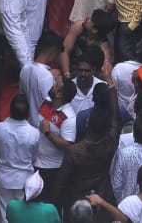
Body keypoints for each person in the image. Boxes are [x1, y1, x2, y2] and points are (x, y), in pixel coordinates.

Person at [58, 83, 122, 213]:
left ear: (87, 123)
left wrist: (53, 205)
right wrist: (113, 92)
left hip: (77, 200)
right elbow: (115, 121)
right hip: (100, 199)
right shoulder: (109, 146)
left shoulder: (74, 152)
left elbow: (61, 182)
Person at [0, 94, 42, 223]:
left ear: (11, 110)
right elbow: (34, 156)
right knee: (22, 214)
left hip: (3, 177)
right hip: (24, 180)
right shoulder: (34, 133)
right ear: (27, 113)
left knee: (5, 212)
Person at [34, 79, 79, 208]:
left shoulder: (68, 117)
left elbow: (68, 145)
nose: (52, 85)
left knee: (50, 206)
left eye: (55, 85)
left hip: (53, 169)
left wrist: (48, 133)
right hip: (36, 163)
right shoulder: (45, 103)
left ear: (59, 94)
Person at [110, 115, 142, 201]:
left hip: (126, 206)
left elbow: (116, 184)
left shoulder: (123, 154)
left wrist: (122, 202)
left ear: (134, 133)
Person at [61, 8, 119, 79]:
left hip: (88, 76)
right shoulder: (79, 27)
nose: (87, 18)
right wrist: (67, 74)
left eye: (90, 19)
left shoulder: (103, 47)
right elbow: (64, 50)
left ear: (95, 30)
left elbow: (106, 69)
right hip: (70, 68)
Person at [21, 34, 63, 108]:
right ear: (51, 54)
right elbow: (48, 106)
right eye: (56, 55)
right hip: (40, 119)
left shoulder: (25, 68)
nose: (56, 59)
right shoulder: (46, 76)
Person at [67, 47, 108, 116]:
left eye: (86, 71)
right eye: (80, 70)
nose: (83, 74)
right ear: (76, 70)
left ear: (93, 70)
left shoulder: (103, 87)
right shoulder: (68, 88)